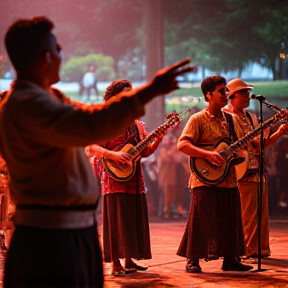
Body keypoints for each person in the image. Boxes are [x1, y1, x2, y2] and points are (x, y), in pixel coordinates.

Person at [0, 16, 192, 287]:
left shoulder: (48, 97)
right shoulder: (27, 104)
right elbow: (91, 124)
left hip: (69, 229)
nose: (60, 55)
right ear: (44, 57)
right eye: (57, 49)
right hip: (50, 235)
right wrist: (149, 91)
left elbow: (90, 114)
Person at [176, 76, 253, 273]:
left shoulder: (232, 119)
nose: (225, 95)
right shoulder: (197, 119)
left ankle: (230, 259)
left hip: (227, 178)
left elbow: (237, 145)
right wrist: (208, 155)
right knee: (201, 219)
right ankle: (193, 260)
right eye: (221, 91)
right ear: (208, 95)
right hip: (204, 178)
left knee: (230, 218)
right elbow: (182, 144)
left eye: (226, 91)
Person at [89, 79, 164, 276]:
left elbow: (145, 152)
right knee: (116, 220)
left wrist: (159, 139)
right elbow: (92, 147)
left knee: (133, 217)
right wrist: (114, 155)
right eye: (127, 92)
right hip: (113, 178)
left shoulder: (137, 124)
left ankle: (130, 260)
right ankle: (115, 263)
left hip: (134, 177)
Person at [225, 78, 288, 258]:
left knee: (261, 212)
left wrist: (279, 131)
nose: (247, 96)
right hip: (239, 169)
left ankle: (259, 249)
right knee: (246, 213)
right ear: (232, 96)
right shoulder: (227, 116)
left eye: (248, 93)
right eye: (243, 93)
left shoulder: (251, 116)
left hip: (257, 168)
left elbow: (262, 144)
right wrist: (271, 125)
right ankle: (245, 249)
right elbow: (252, 142)